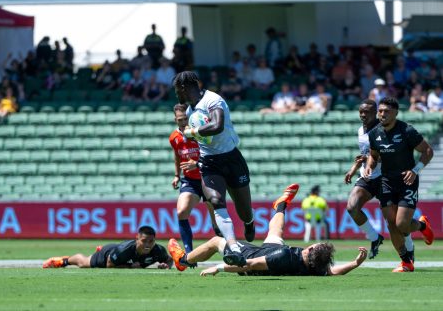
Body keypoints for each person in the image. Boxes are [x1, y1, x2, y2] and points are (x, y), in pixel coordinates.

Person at [168, 184, 368, 276]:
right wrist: (355, 263)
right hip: (272, 253)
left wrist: (217, 268)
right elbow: (333, 272)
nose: (311, 245)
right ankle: (280, 206)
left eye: (314, 245)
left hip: (253, 256)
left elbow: (250, 264)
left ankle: (183, 260)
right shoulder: (313, 268)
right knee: (275, 234)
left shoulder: (284, 256)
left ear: (310, 251)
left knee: (216, 241)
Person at [173, 71, 255, 267]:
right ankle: (233, 246)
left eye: (177, 89)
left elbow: (217, 126)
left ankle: (249, 221)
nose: (176, 93)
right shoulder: (191, 112)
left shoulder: (212, 100)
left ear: (184, 87)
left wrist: (192, 132)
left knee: (243, 210)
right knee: (216, 200)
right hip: (209, 161)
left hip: (231, 158)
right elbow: (201, 136)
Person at [365, 97, 434, 272]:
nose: (382, 114)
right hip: (387, 181)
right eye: (380, 111)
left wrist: (415, 170)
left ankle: (422, 225)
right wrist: (368, 166)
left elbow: (427, 151)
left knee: (402, 224)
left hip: (406, 180)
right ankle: (406, 262)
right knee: (391, 223)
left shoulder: (407, 131)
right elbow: (374, 155)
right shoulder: (374, 133)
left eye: (386, 111)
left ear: (396, 113)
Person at [344, 99, 395, 259]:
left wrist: (369, 158)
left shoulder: (383, 130)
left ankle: (410, 247)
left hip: (384, 177)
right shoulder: (360, 130)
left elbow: (388, 154)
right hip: (366, 176)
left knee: (394, 222)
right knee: (352, 207)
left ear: (375, 113)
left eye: (367, 112)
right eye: (361, 111)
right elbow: (364, 155)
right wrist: (353, 169)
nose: (363, 114)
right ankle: (375, 237)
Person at [169, 104, 221, 253]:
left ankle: (227, 249)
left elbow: (212, 154)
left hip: (207, 176)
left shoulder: (200, 133)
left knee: (216, 216)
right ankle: (189, 254)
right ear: (175, 120)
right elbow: (177, 155)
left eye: (186, 118)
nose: (184, 122)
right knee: (181, 212)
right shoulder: (174, 137)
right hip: (190, 181)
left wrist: (197, 164)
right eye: (180, 119)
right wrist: (177, 175)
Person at [43, 225, 173, 269]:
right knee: (84, 263)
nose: (147, 245)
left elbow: (168, 259)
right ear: (137, 239)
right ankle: (64, 260)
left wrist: (167, 266)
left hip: (117, 255)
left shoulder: (158, 250)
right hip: (108, 255)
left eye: (151, 241)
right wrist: (129, 267)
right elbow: (110, 264)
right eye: (144, 241)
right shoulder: (125, 249)